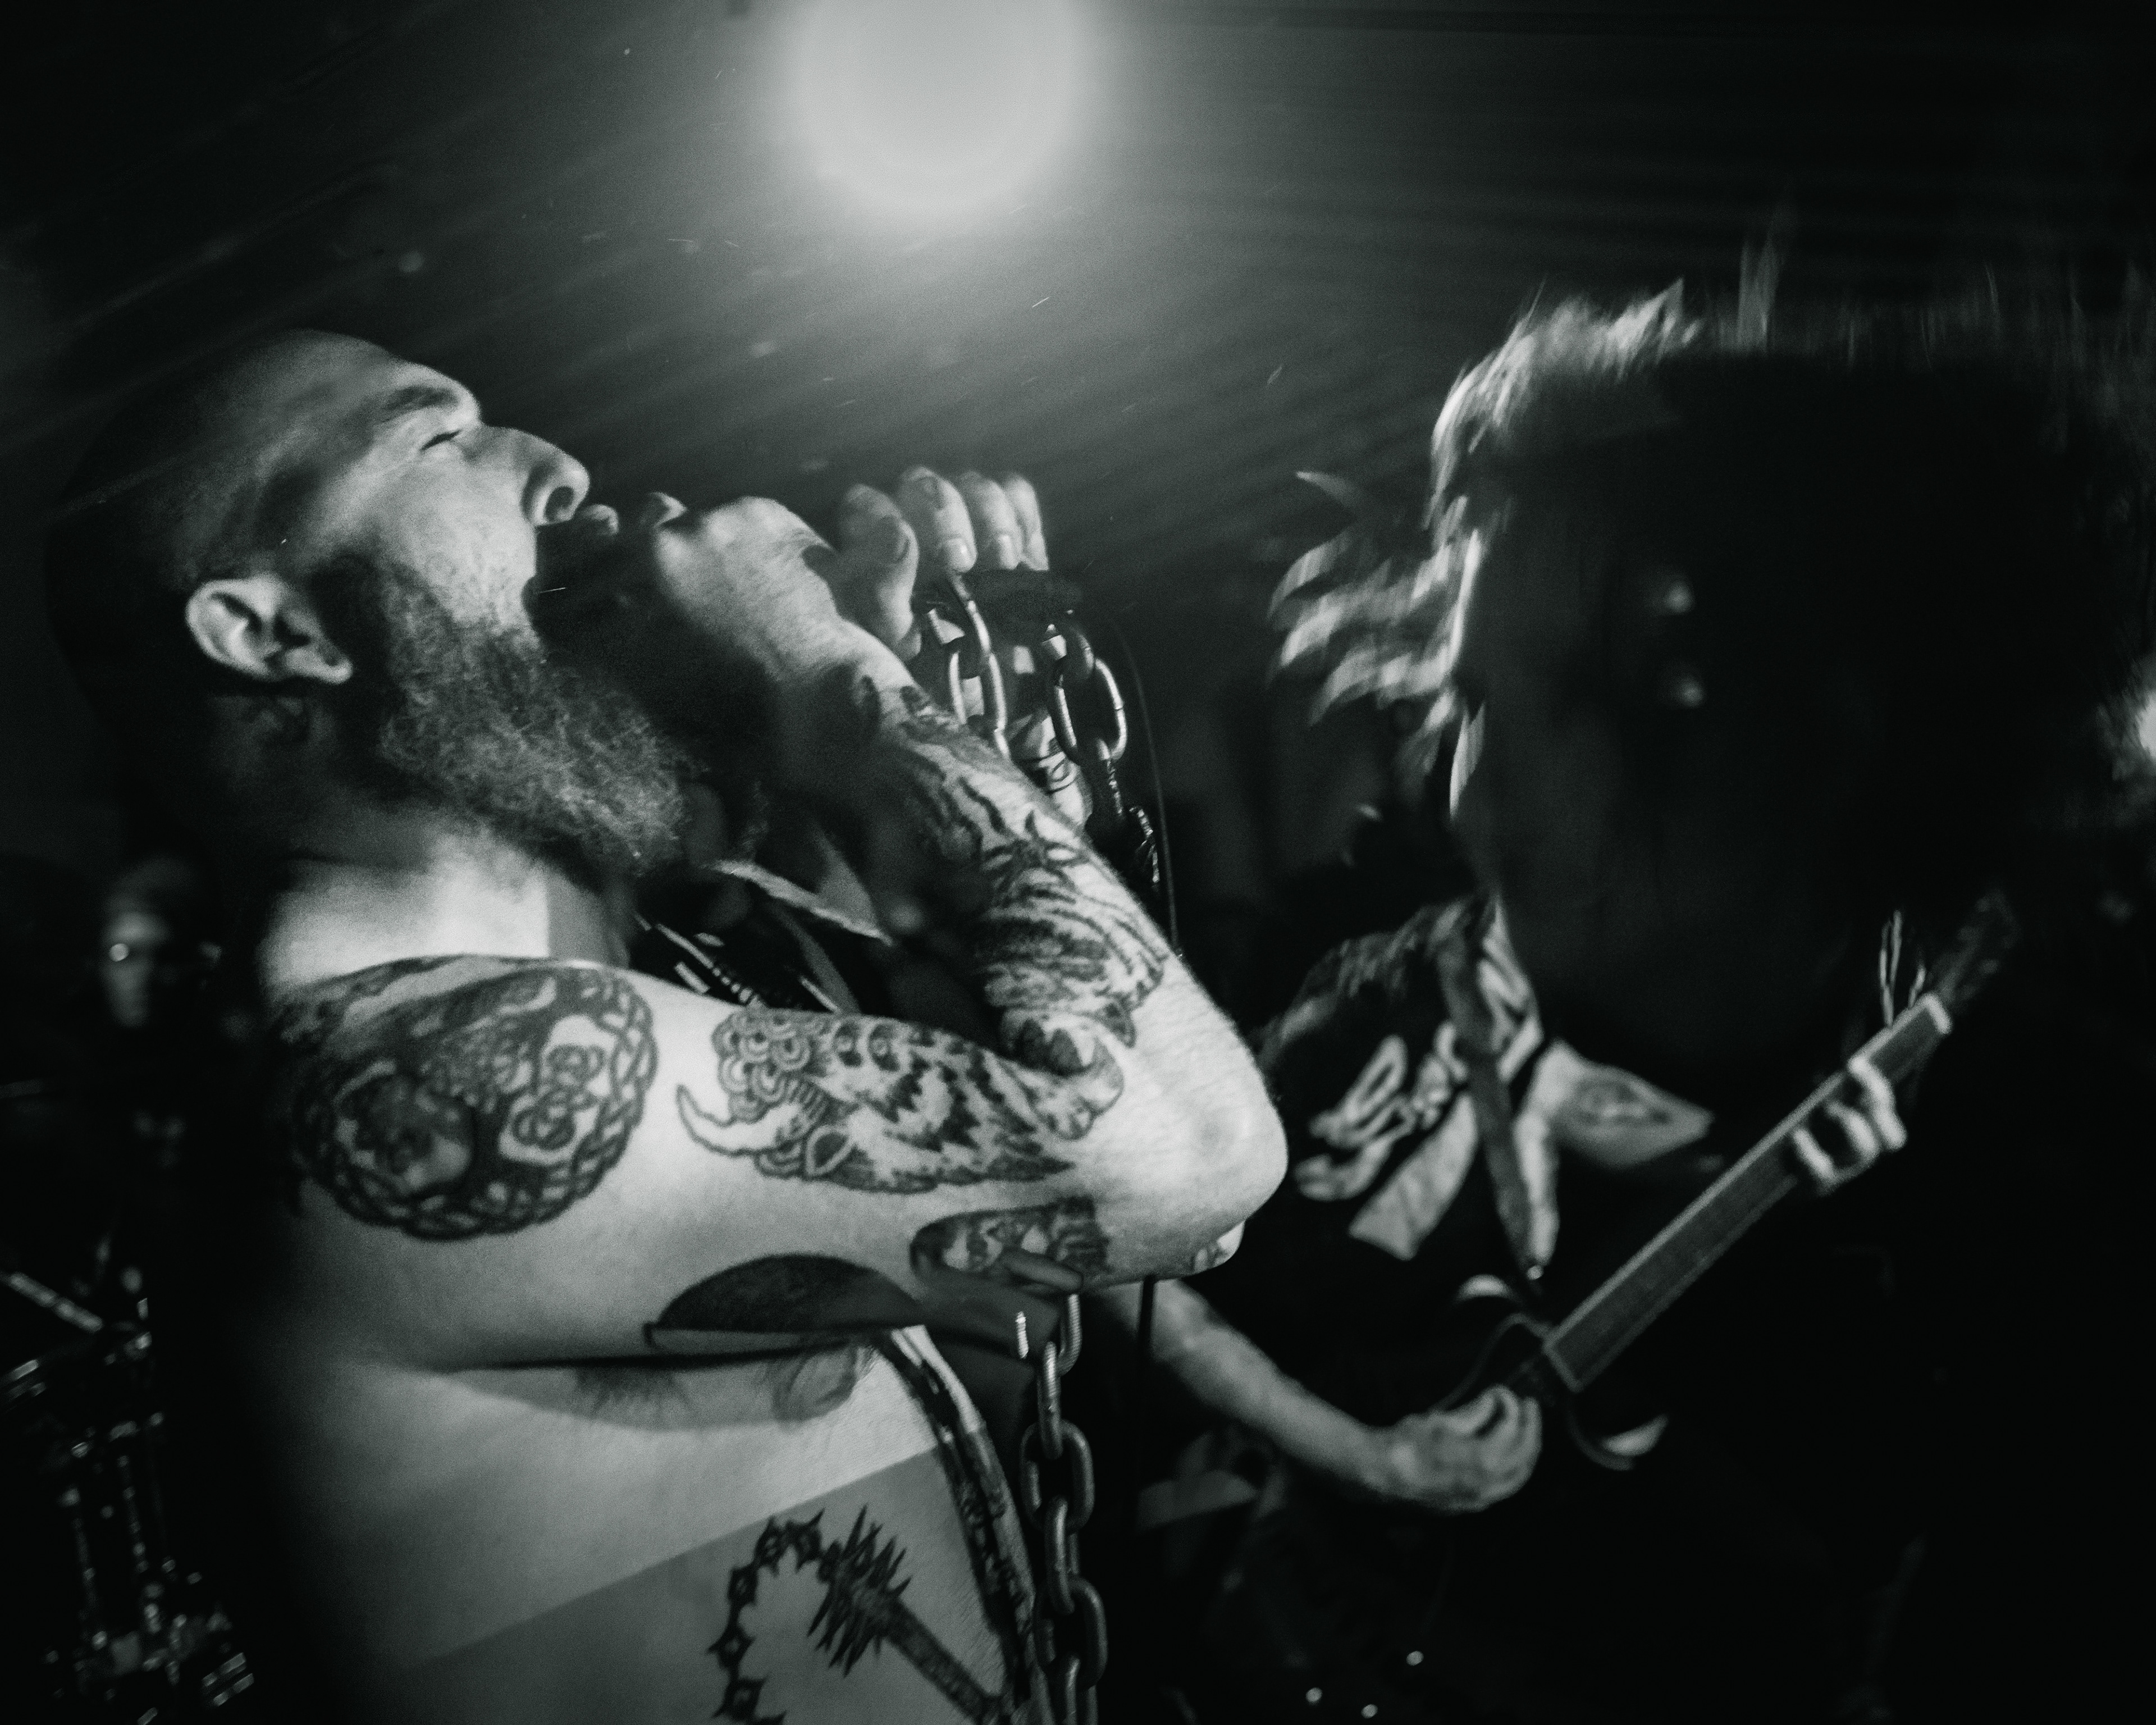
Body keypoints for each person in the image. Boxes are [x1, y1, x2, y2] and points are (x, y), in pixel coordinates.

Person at [42, 330, 1285, 1724]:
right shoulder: (403, 1081)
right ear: (276, 632)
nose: (560, 471)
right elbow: (1184, 1157)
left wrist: (854, 710)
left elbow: (1100, 1130)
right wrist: (823, 677)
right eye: (441, 440)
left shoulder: (629, 976)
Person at [1106, 284, 2156, 1722]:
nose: (1463, 793)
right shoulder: (1409, 994)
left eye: (1533, 706)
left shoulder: (2046, 1237)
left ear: (1792, 733)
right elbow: (1130, 1307)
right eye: (1462, 705)